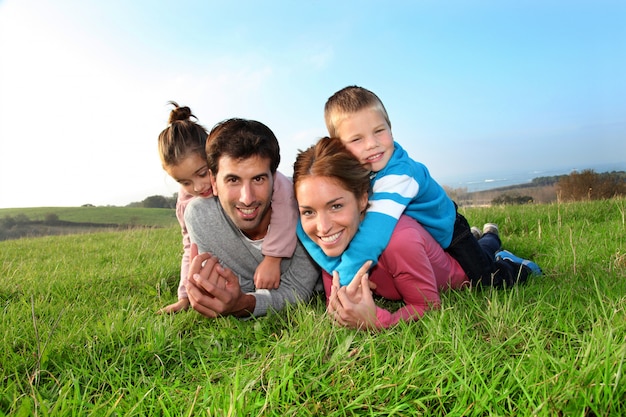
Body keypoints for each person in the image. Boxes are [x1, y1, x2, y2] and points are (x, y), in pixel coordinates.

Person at [296, 85, 540, 288]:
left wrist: (346, 279)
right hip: (422, 236)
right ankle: (488, 237)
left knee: (486, 279)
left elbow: (373, 236)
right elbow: (304, 224)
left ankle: (514, 264)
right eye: (357, 139)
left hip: (447, 229)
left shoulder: (400, 175)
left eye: (379, 131)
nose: (372, 144)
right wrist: (333, 266)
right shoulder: (354, 172)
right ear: (339, 146)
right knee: (475, 254)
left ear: (390, 128)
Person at [293, 137, 477, 329]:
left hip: (460, 272)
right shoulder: (327, 240)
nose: (322, 227)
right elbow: (337, 309)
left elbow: (427, 306)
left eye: (336, 206)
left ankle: (490, 240)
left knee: (491, 252)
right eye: (308, 211)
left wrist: (377, 321)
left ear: (363, 199)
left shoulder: (400, 240)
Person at [156, 103, 298, 314]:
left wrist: (272, 258)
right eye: (185, 182)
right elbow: (190, 249)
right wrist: (186, 294)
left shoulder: (284, 187)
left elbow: (287, 212)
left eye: (202, 173)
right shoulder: (191, 206)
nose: (198, 187)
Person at [183, 118, 322, 318]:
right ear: (213, 182)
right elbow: (232, 288)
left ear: (274, 177)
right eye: (233, 180)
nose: (247, 198)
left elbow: (298, 289)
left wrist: (244, 303)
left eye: (258, 179)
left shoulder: (303, 205)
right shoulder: (200, 217)